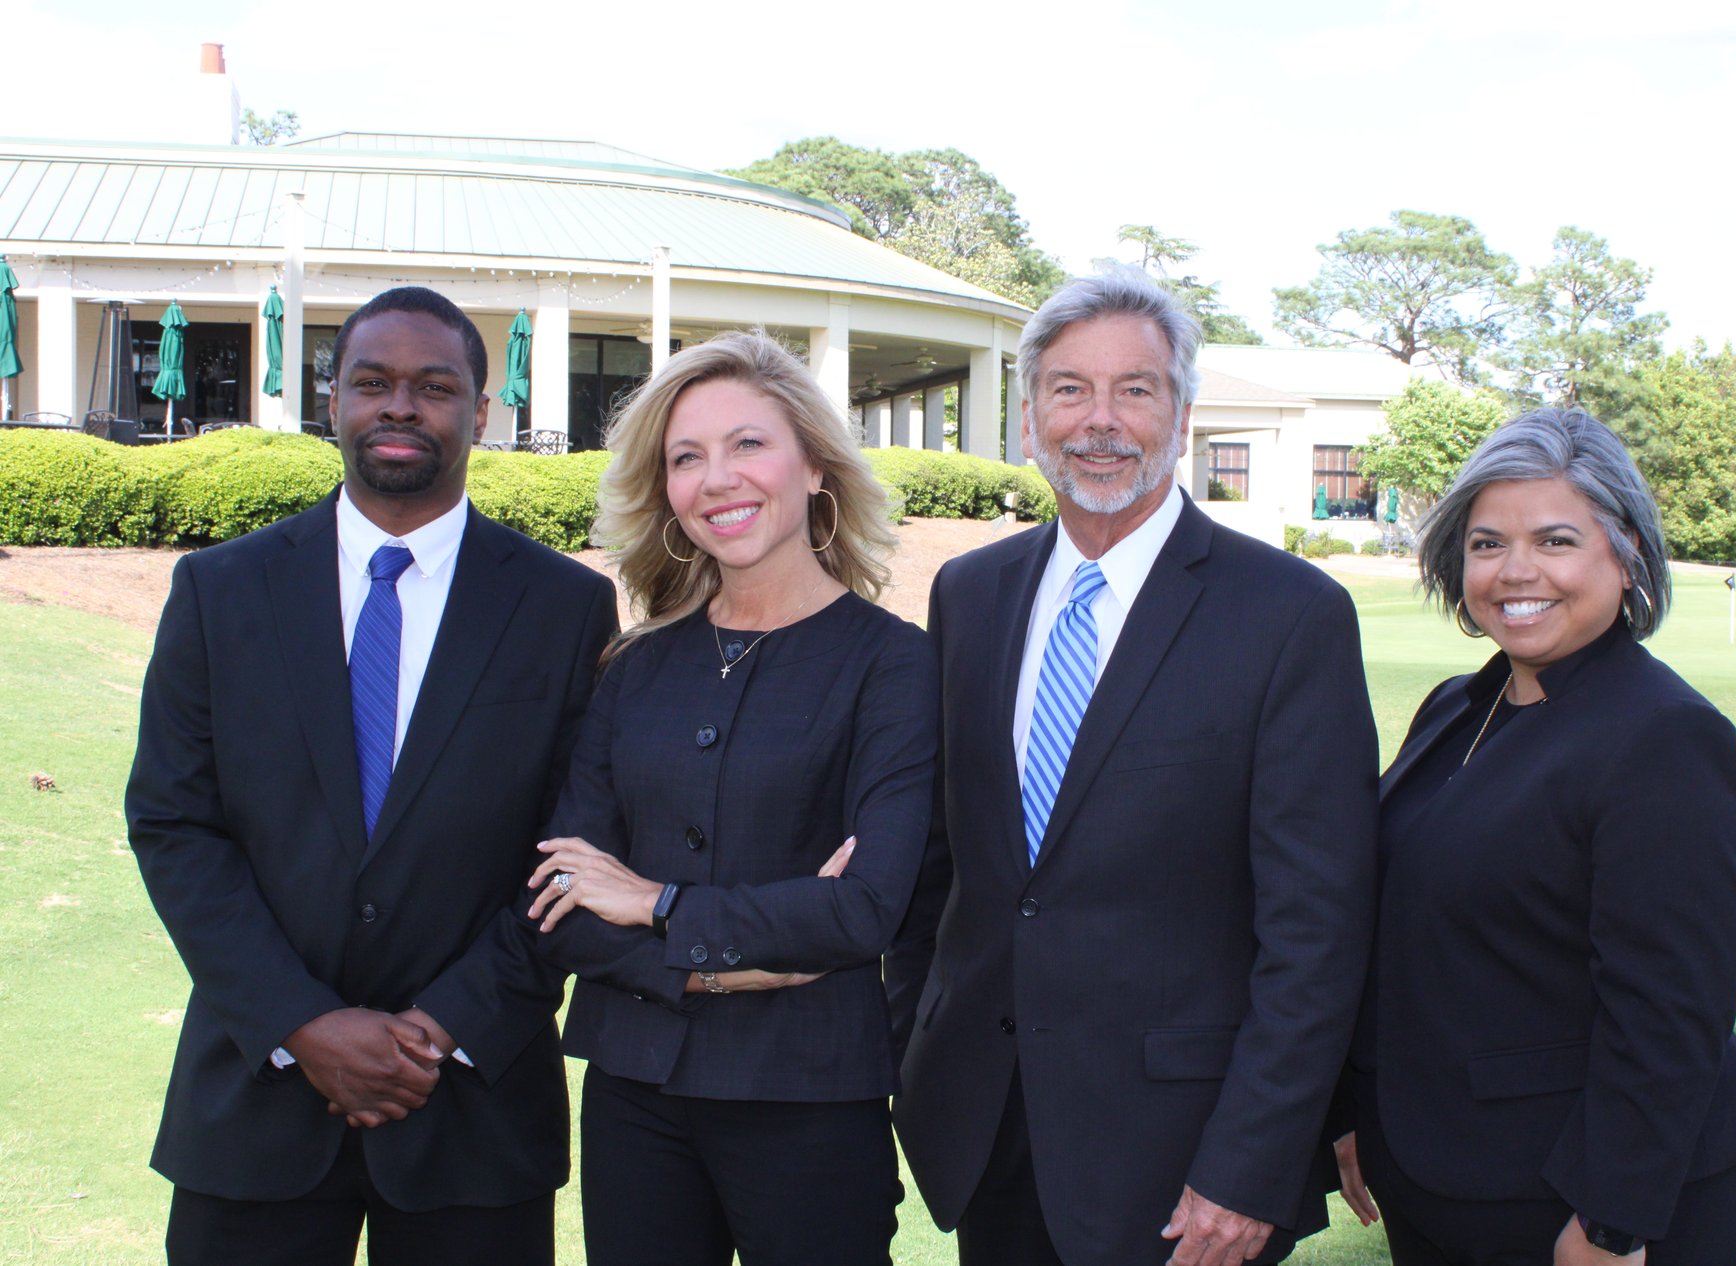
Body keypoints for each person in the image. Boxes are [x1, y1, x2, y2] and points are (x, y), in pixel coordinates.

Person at [885, 269, 1380, 1266]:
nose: (1097, 421)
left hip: (1184, 1162)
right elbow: (941, 866)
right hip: (988, 1133)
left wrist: (1249, 1165)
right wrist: (916, 1046)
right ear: (1028, 419)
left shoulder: (1288, 616)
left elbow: (1317, 928)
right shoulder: (971, 595)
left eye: (1135, 389)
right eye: (1068, 389)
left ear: (1183, 415)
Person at [125, 285, 619, 1265]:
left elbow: (580, 851)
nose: (401, 406)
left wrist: (443, 1026)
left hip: (472, 1114)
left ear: (481, 414)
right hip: (254, 1107)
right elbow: (174, 825)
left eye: (434, 387)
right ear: (334, 403)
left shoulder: (566, 609)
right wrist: (300, 1022)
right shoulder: (221, 592)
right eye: (373, 383)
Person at [512, 331, 937, 1266]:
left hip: (811, 1101)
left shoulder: (894, 664)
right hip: (635, 1101)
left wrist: (656, 902)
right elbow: (563, 898)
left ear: (815, 466)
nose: (718, 479)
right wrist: (721, 962)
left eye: (748, 444)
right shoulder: (634, 668)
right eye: (686, 457)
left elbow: (864, 907)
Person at [1332, 408, 1736, 1265]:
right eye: (1488, 543)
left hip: (1586, 1207)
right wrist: (1355, 1108)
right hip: (1445, 1181)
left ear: (1627, 552)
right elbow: (1404, 933)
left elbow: (1671, 1011)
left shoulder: (1666, 740)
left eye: (1557, 540)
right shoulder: (1460, 705)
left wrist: (1610, 1222)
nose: (1515, 571)